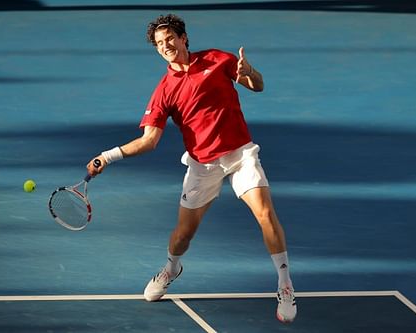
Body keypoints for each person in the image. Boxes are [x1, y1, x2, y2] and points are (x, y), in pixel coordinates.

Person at [87, 13, 297, 323]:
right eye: (159, 43)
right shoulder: (164, 91)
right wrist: (107, 156)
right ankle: (172, 268)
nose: (165, 45)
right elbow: (149, 141)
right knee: (183, 235)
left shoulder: (217, 59)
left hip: (240, 154)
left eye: (169, 38)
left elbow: (258, 85)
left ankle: (285, 285)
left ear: (184, 38)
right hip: (203, 165)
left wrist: (249, 71)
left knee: (265, 213)